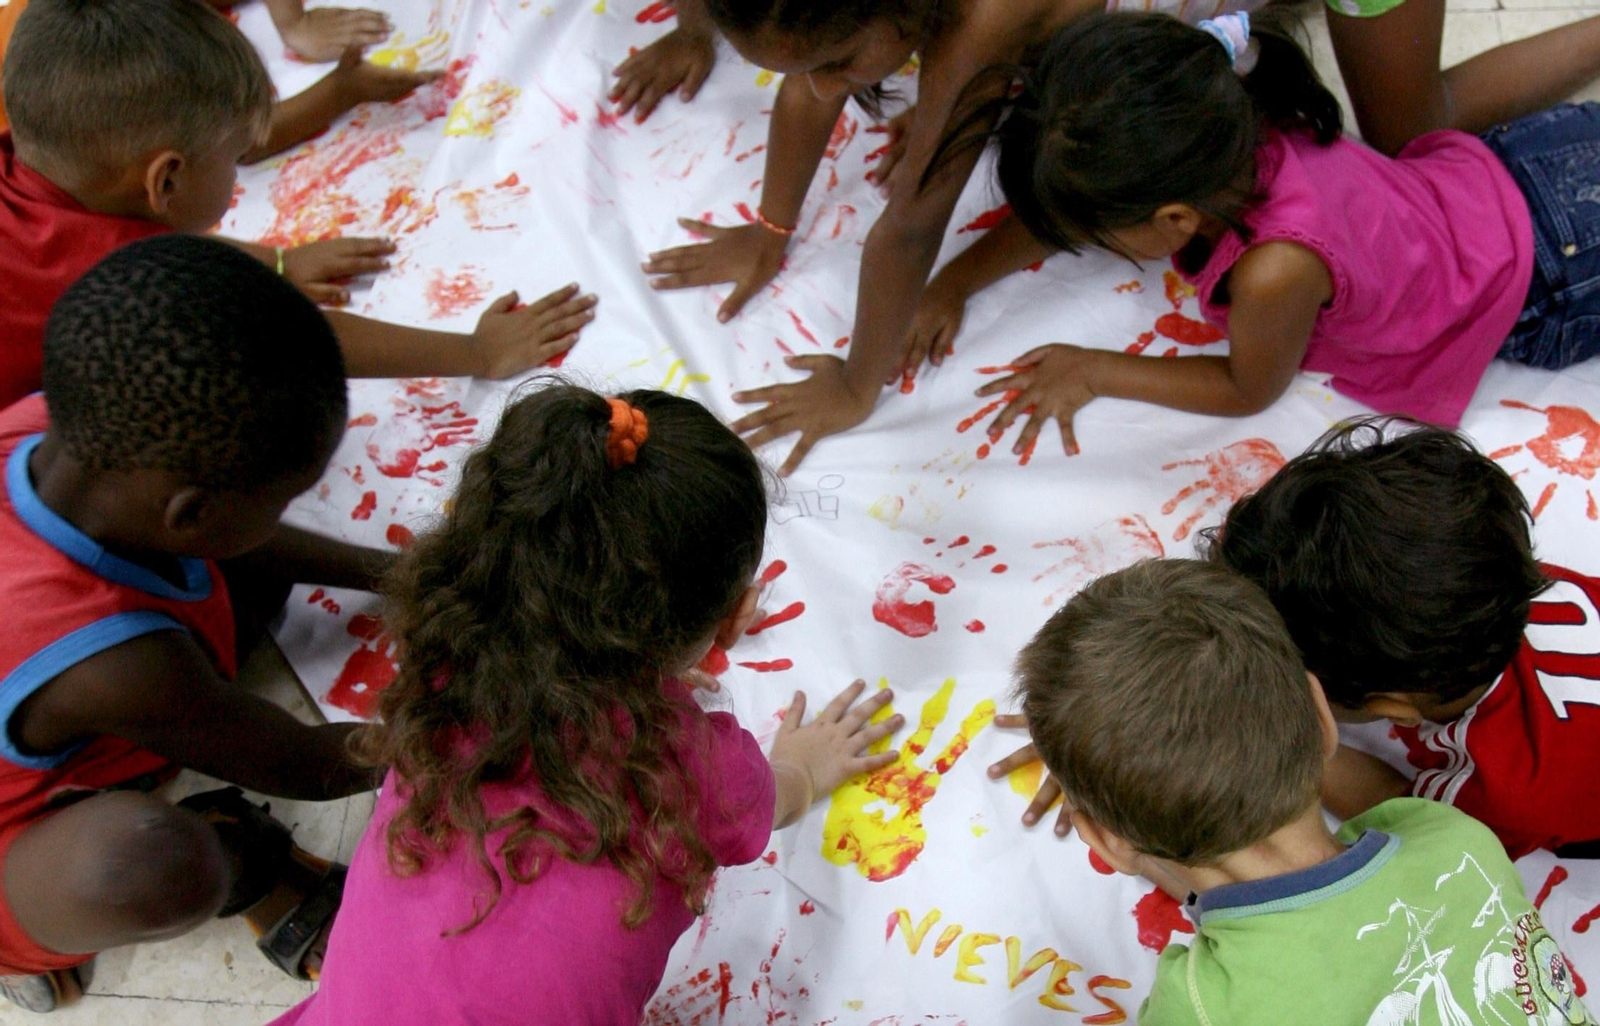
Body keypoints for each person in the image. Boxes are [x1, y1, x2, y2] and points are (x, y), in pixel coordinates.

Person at [271, 383, 903, 1026]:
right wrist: (804, 766)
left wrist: (641, 668)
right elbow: (773, 801)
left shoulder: (450, 666)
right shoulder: (698, 773)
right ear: (736, 618)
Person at [0, 235, 398, 1012]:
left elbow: (235, 542)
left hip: (92, 673)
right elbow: (303, 764)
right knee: (145, 868)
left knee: (243, 588)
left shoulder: (63, 431)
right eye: (280, 501)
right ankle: (245, 863)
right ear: (188, 512)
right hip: (19, 838)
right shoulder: (115, 666)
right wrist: (466, 728)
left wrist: (395, 571)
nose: (285, 514)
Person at [914, 12, 1600, 455]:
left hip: (1556, 277)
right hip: (1527, 163)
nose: (1095, 246)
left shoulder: (1276, 269)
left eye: (1104, 236)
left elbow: (1249, 388)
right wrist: (954, 279)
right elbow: (1075, 203)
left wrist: (1093, 369)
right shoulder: (1226, 108)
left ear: (1174, 219)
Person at [639, 0, 1267, 475]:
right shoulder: (873, 19)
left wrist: (856, 389)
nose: (828, 86)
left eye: (839, 62)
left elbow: (911, 229)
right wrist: (769, 232)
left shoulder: (981, 25)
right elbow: (809, 91)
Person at [1016, 558, 1594, 1024]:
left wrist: (1125, 792)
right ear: (1322, 716)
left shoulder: (1202, 1007)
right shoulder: (1452, 839)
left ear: (1105, 842)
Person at [0, 0, 598, 410]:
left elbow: (122, 234)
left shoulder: (42, 161)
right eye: (236, 154)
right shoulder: (123, 286)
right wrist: (476, 351)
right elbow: (291, 337)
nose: (241, 162)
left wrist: (279, 263)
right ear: (167, 180)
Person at [1202, 417, 1600, 860]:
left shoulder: (1500, 792)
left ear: (1392, 707)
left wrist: (1283, 738)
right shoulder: (1487, 568)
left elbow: (1404, 810)